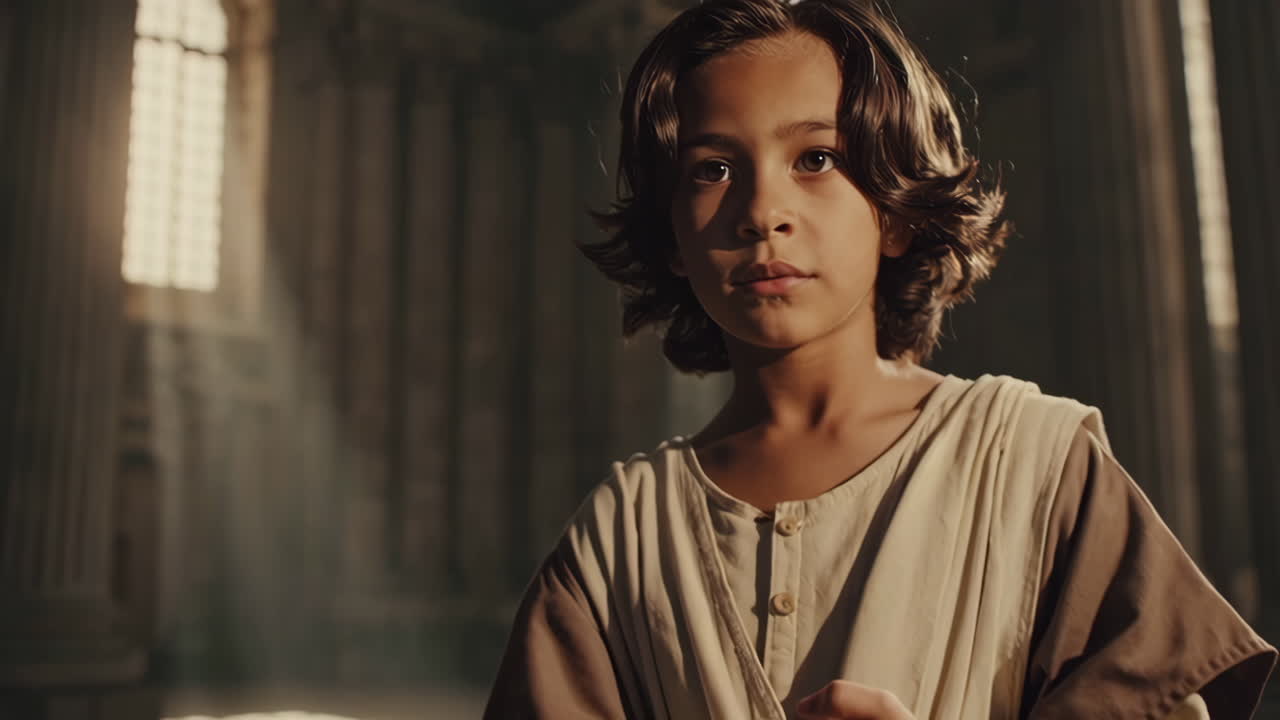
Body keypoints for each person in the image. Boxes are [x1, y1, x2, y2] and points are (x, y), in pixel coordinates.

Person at [483, 0, 1276, 717]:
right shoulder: (618, 539)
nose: (763, 211)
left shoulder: (1035, 463)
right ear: (673, 240)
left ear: (894, 211)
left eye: (816, 159)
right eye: (712, 169)